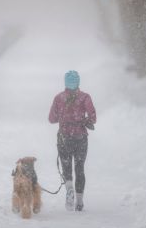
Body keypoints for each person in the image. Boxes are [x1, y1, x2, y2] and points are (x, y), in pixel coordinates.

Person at [48, 70, 96, 211]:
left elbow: (51, 119)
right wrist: (84, 120)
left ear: (65, 83)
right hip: (80, 138)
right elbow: (93, 117)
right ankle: (79, 202)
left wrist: (63, 117)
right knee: (79, 169)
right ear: (78, 82)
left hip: (64, 138)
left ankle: (69, 189)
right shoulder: (85, 97)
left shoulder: (59, 98)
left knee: (67, 167)